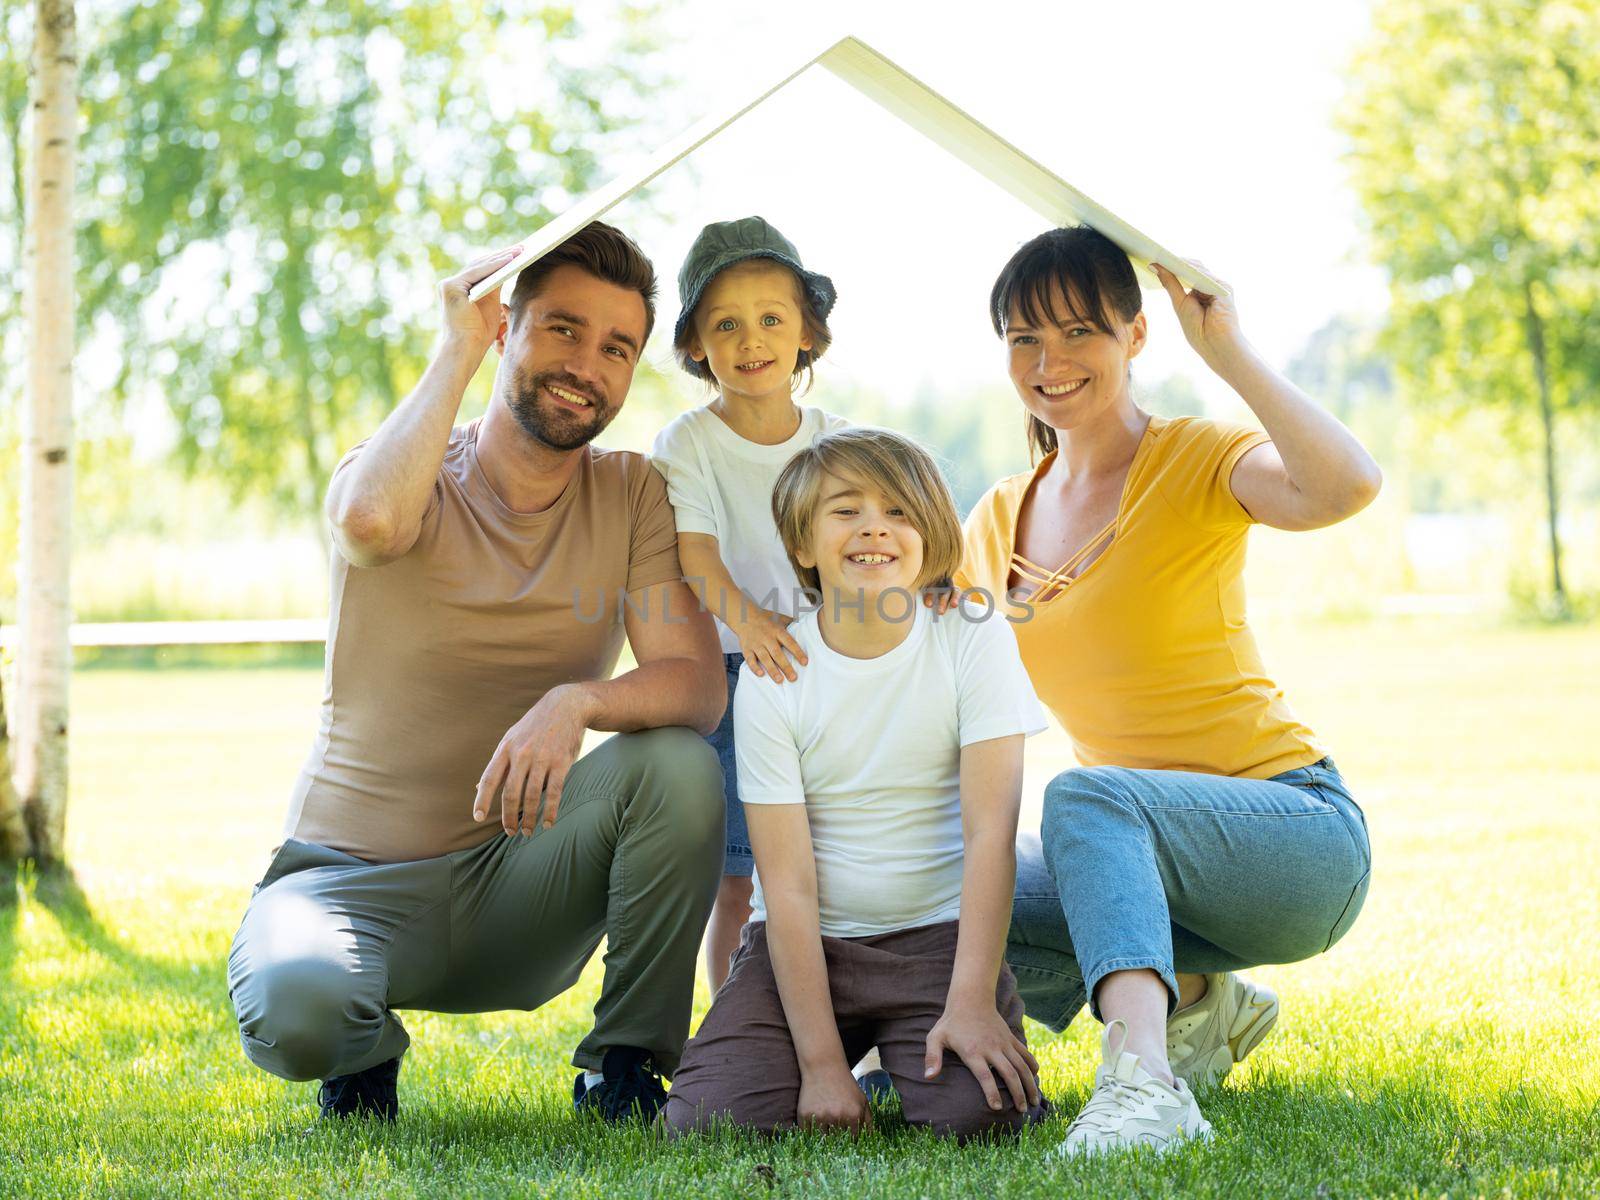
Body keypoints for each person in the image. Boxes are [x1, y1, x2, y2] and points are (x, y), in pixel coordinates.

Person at [225, 222, 728, 1125]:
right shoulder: (405, 470)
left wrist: (577, 701)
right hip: (347, 883)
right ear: (506, 330)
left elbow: (694, 683)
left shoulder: (630, 492)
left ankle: (623, 1067)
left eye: (618, 347)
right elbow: (370, 525)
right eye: (563, 329)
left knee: (680, 764)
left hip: (520, 874)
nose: (588, 365)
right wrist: (454, 348)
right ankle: (363, 1053)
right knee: (297, 1011)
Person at [958, 226, 1381, 1154]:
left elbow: (1345, 486)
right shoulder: (995, 517)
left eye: (1078, 332)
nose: (1050, 360)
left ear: (1135, 337)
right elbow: (903, 644)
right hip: (1143, 871)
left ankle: (1144, 1082)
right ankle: (1199, 999)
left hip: (1296, 833)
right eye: (1025, 338)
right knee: (945, 879)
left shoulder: (1195, 458)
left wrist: (1226, 351)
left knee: (1087, 797)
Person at [661, 427, 1051, 1139]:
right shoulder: (776, 674)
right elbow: (787, 885)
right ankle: (837, 1055)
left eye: (899, 510)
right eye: (845, 509)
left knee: (981, 1122)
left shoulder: (974, 637)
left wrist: (971, 998)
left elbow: (990, 831)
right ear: (803, 546)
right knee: (708, 1123)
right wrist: (820, 1067)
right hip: (809, 947)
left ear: (931, 538)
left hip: (937, 943)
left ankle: (935, 1038)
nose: (874, 525)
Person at [649, 216, 848, 994]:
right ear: (697, 343)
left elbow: (866, 548)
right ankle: (736, 1020)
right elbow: (697, 553)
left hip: (827, 676)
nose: (751, 339)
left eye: (772, 318)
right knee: (738, 876)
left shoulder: (838, 440)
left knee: (823, 866)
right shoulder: (688, 443)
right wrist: (752, 623)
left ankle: (843, 1027)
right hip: (736, 678)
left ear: (808, 334)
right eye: (725, 324)